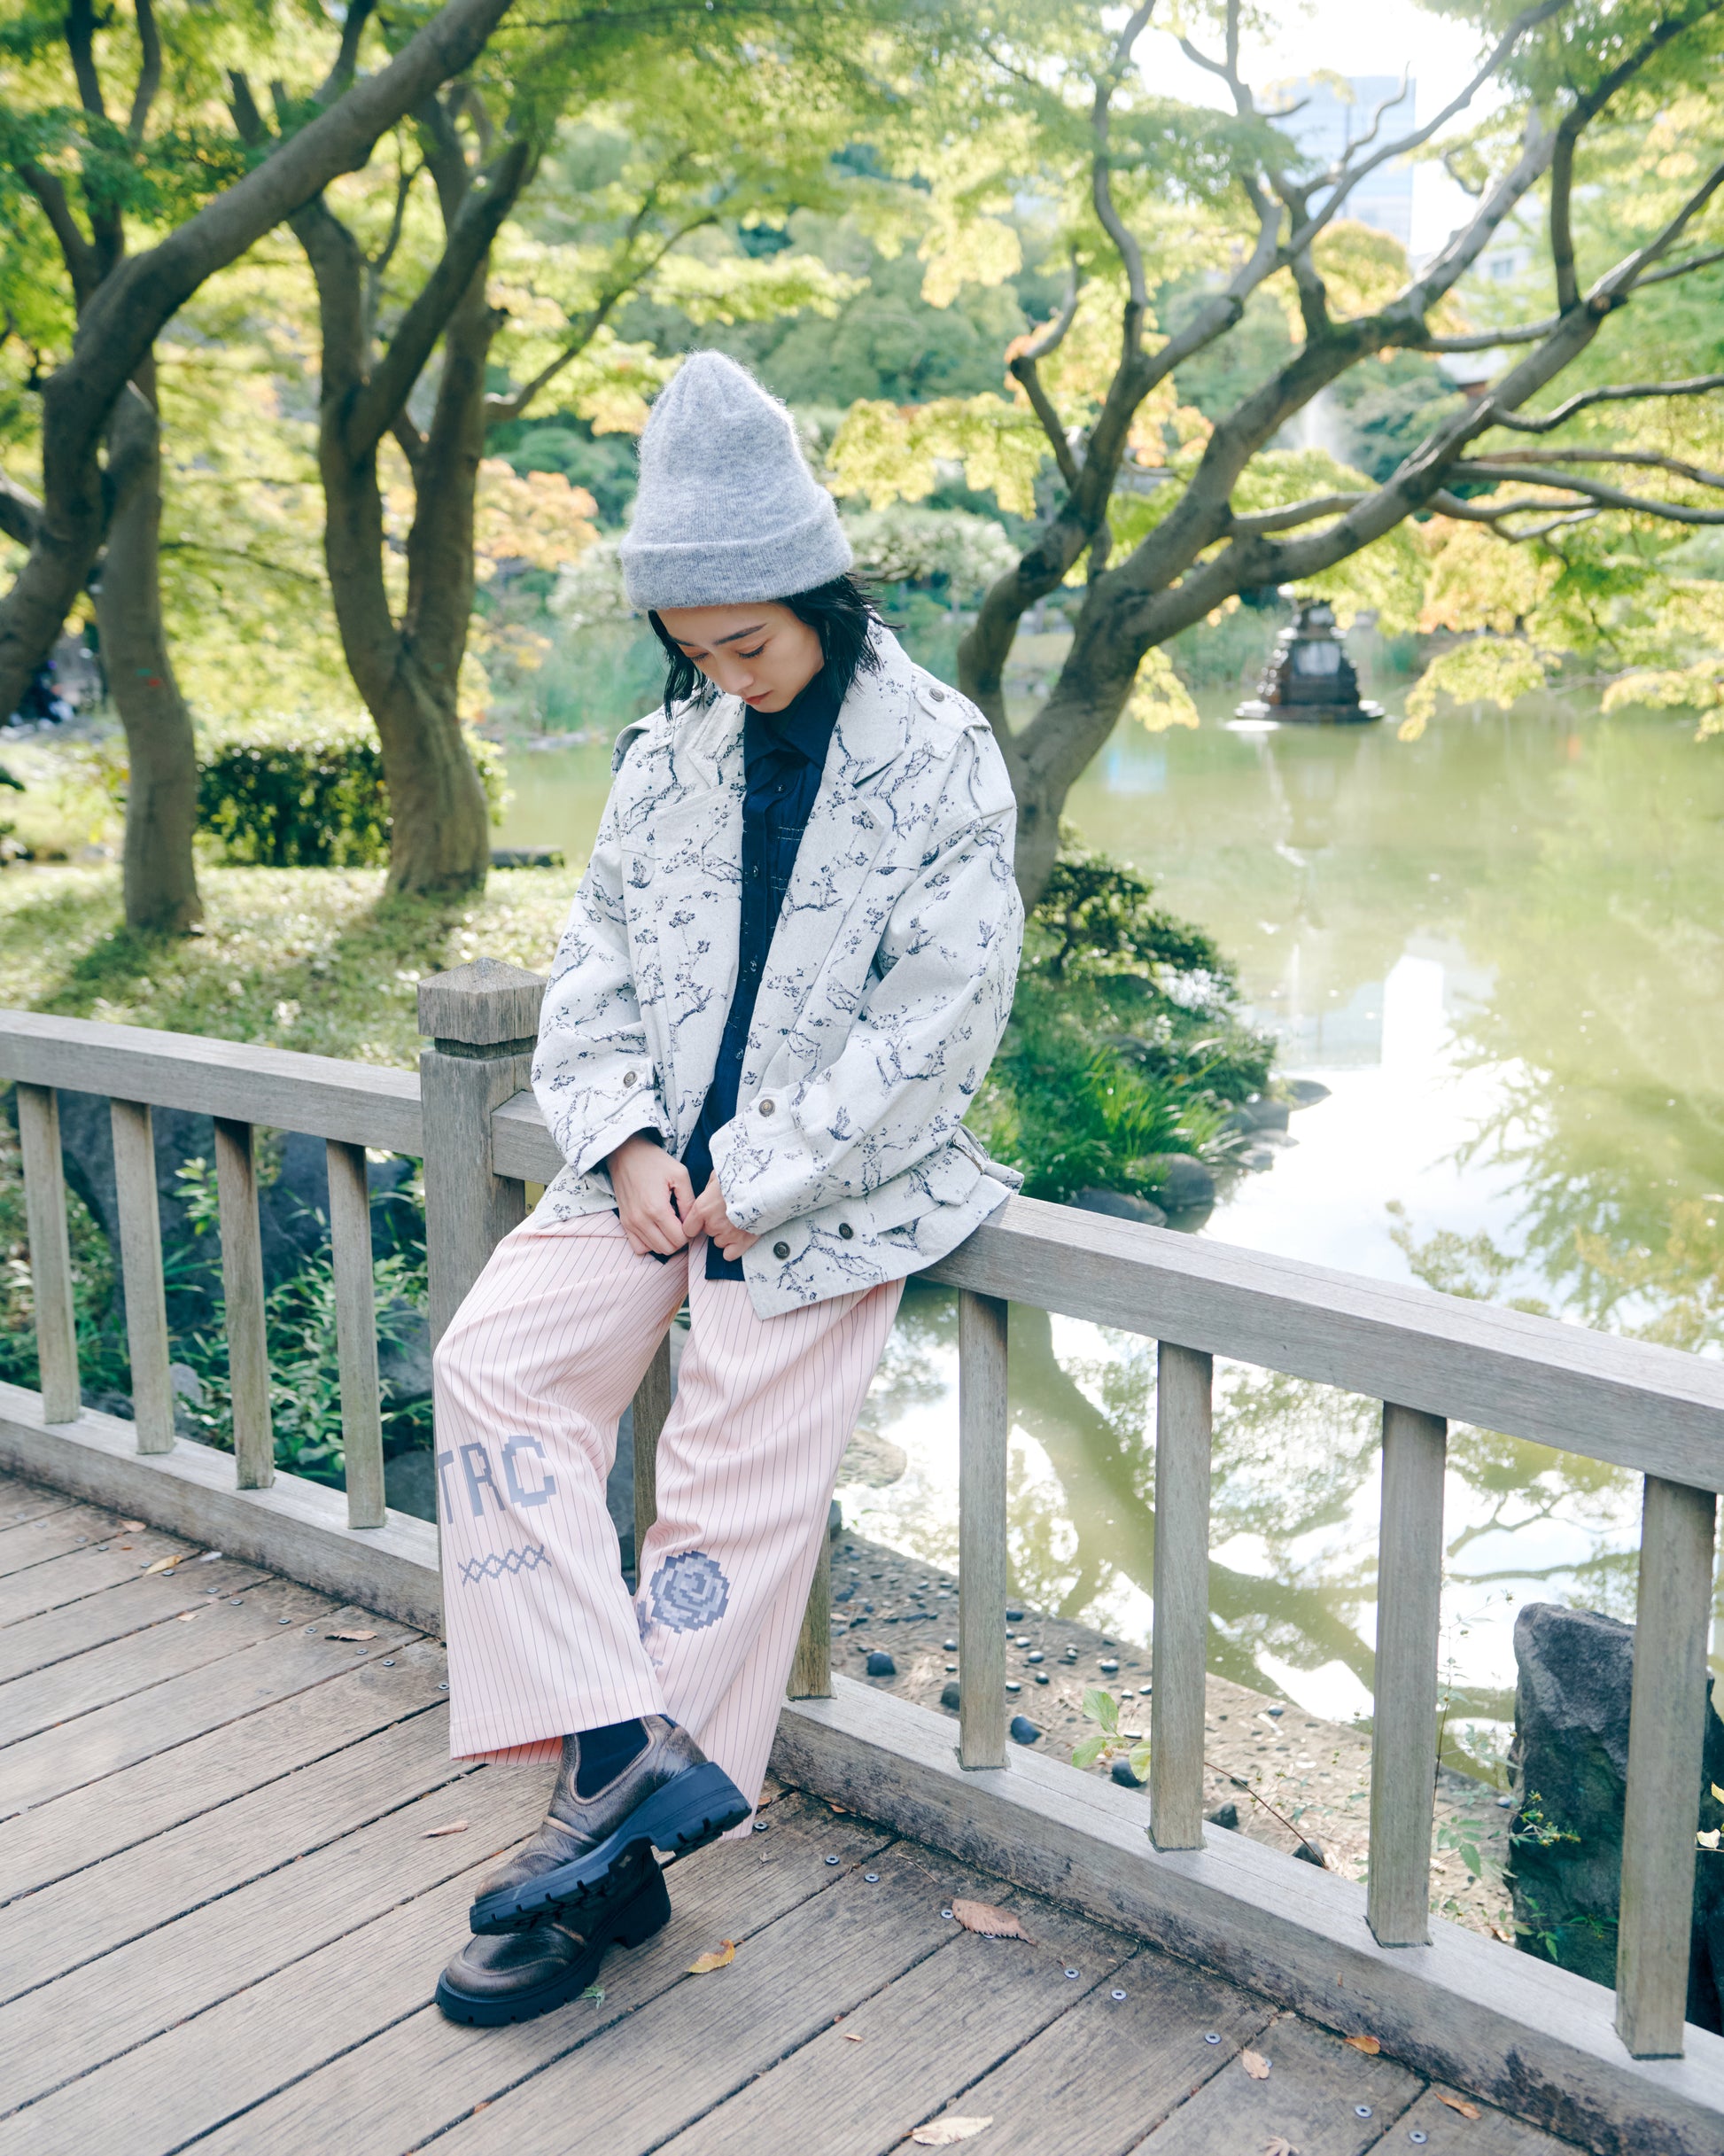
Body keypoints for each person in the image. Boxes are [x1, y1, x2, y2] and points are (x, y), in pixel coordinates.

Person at [430, 352, 1023, 2026]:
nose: (725, 675)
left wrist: (756, 1182)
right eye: (694, 650)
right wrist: (625, 1140)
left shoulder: (943, 754)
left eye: (747, 642)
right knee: (494, 1366)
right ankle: (620, 1760)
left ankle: (599, 1873)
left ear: (821, 590)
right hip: (645, 1165)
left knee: (721, 1504)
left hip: (826, 1194)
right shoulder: (667, 749)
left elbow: (941, 1016)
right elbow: (594, 961)